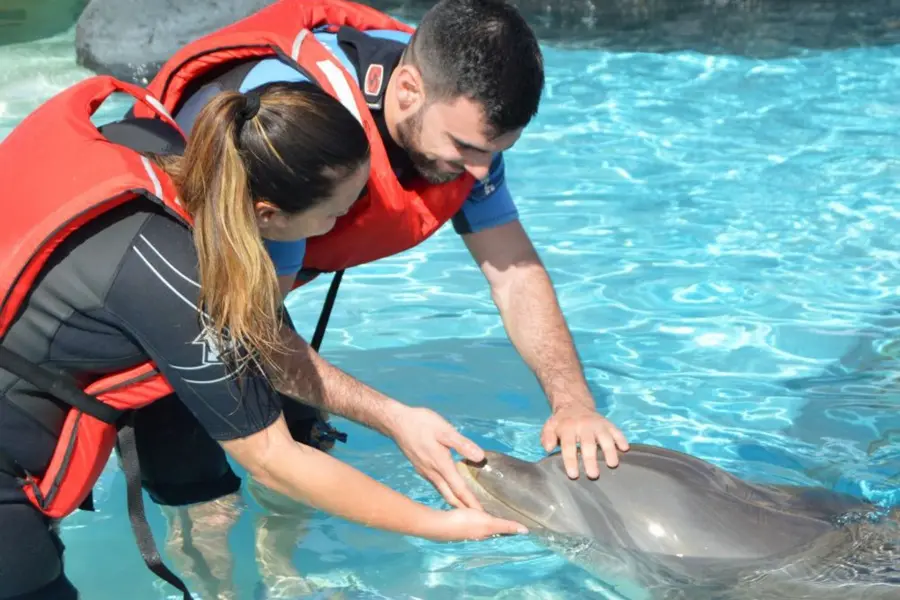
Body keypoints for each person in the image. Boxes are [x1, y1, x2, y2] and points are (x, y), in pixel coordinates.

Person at [131, 0, 631, 595]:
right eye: (464, 147)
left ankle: (283, 574)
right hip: (179, 289)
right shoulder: (302, 135)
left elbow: (514, 272)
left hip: (269, 280)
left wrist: (571, 400)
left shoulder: (457, 126)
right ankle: (217, 590)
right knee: (206, 500)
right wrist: (396, 420)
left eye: (494, 153)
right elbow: (256, 335)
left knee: (302, 452)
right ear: (410, 88)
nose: (479, 173)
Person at [0, 75, 527, 600]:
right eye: (336, 212)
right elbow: (273, 458)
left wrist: (396, 419)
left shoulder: (171, 155)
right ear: (267, 215)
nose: (345, 219)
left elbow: (260, 339)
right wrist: (438, 525)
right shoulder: (175, 279)